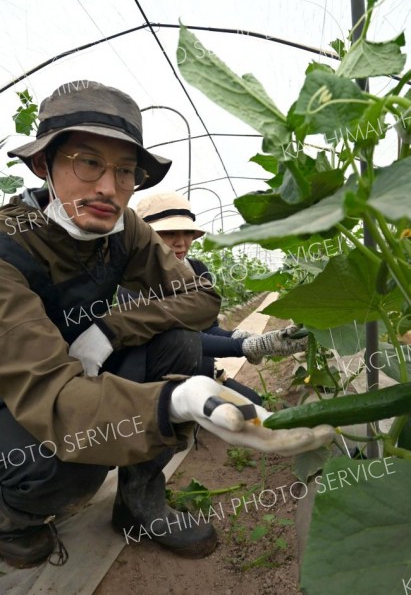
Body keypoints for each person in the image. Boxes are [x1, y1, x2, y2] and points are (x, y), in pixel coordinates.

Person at [0, 80, 334, 569]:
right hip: (23, 392)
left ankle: (139, 500)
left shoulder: (123, 228)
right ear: (41, 165)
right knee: (64, 462)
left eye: (126, 171)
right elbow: (51, 398)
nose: (109, 188)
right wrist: (172, 402)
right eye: (88, 162)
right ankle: (15, 518)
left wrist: (112, 330)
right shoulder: (9, 246)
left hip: (84, 375)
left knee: (176, 343)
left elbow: (201, 297)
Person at [122, 191, 308, 405]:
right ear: (145, 236)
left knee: (254, 406)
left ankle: (205, 397)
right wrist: (245, 346)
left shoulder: (197, 269)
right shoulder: (133, 282)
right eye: (170, 233)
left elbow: (207, 328)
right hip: (156, 384)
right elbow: (176, 340)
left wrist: (242, 337)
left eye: (187, 233)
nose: (181, 242)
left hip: (201, 374)